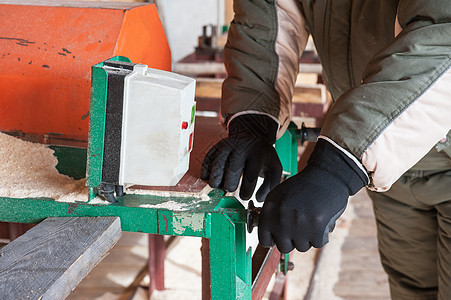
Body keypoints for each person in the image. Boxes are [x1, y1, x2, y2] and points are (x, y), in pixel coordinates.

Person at [200, 1, 451, 299]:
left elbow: (443, 37)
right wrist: (253, 117)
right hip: (393, 169)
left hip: (407, 144)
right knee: (412, 288)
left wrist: (339, 166)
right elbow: (269, 14)